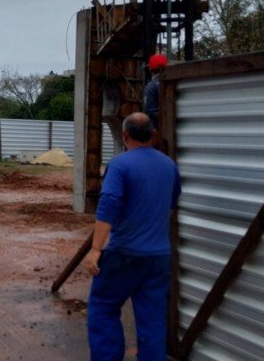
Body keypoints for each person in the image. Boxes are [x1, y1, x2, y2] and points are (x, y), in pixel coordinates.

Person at [83, 112, 181, 361]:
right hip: (159, 257)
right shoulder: (169, 165)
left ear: (125, 136)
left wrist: (95, 249)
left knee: (103, 308)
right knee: (152, 320)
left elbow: (109, 205)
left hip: (124, 254)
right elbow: (170, 206)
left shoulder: (120, 164)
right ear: (154, 135)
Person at [143, 54, 168, 129]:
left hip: (157, 129)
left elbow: (150, 111)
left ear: (151, 69)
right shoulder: (172, 83)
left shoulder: (151, 87)